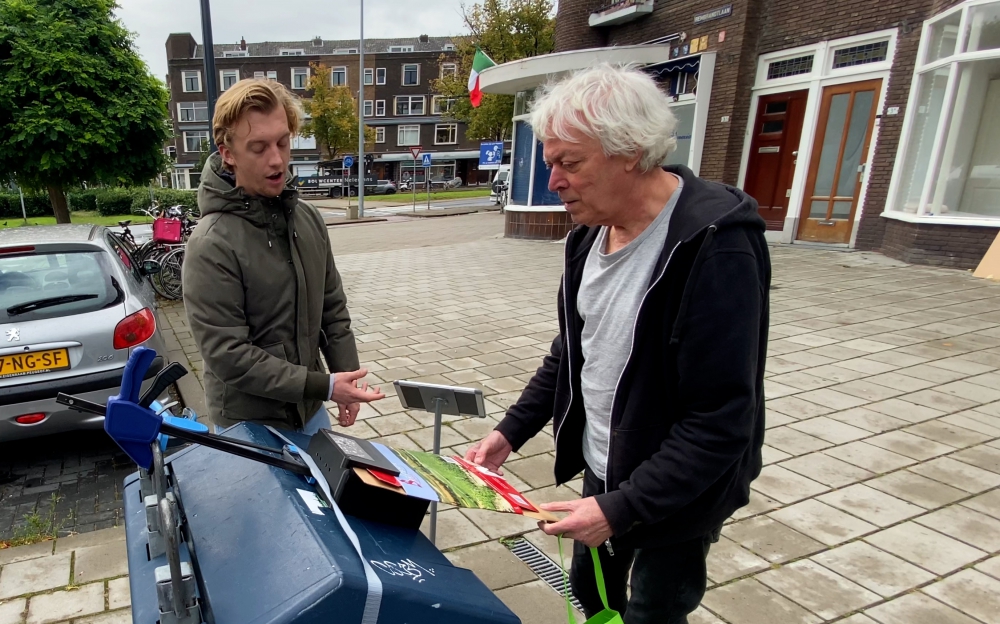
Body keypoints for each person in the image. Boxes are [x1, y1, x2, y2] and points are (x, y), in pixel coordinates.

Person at [465, 65, 770, 623]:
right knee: (591, 605)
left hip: (678, 492)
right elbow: (573, 354)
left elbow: (721, 420)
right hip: (604, 466)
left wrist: (621, 509)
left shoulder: (717, 249)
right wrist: (510, 432)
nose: (553, 180)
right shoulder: (587, 236)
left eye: (569, 163)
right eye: (550, 162)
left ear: (629, 151)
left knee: (652, 614)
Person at [183, 79, 383, 434]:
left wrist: (347, 383)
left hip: (310, 412)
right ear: (228, 153)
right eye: (258, 148)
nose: (276, 160)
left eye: (282, 142)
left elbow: (332, 309)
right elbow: (228, 354)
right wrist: (326, 386)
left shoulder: (308, 220)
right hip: (249, 427)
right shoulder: (211, 243)